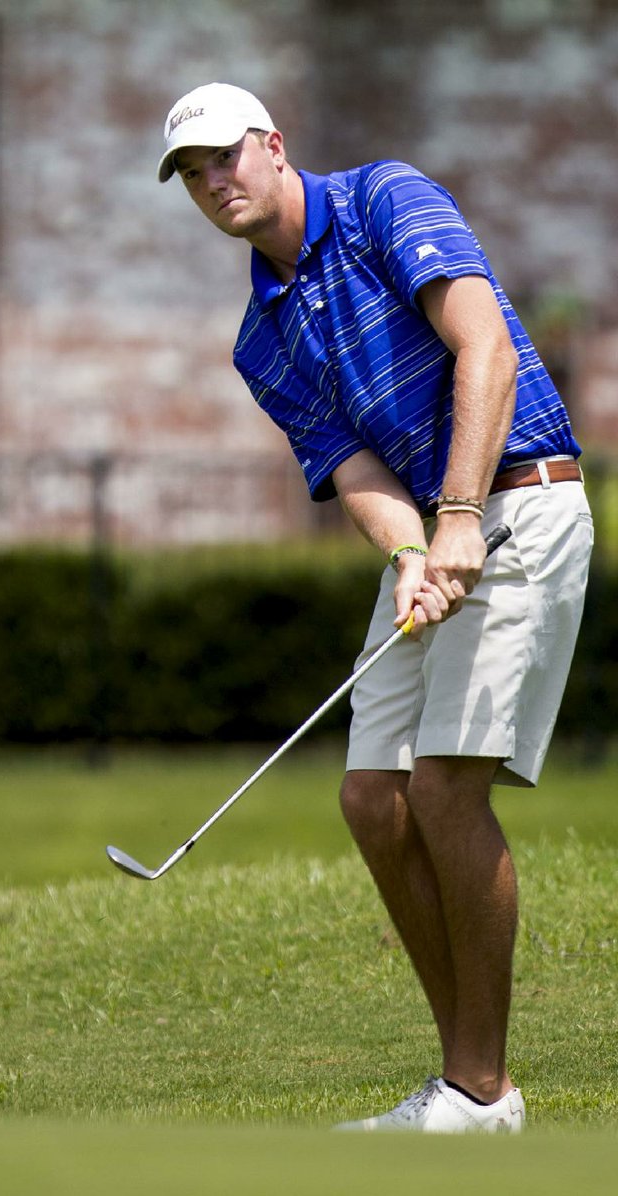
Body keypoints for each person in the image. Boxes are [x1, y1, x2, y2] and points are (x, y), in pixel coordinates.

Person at [157, 82, 593, 1133]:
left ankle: (478, 1090)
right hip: (430, 527)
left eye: (225, 156)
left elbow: (480, 346)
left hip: (522, 499)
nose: (215, 182)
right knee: (371, 797)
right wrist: (407, 548)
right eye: (191, 174)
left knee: (443, 789)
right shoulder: (257, 342)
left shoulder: (385, 199)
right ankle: (468, 1083)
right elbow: (350, 464)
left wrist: (453, 515)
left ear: (272, 144)